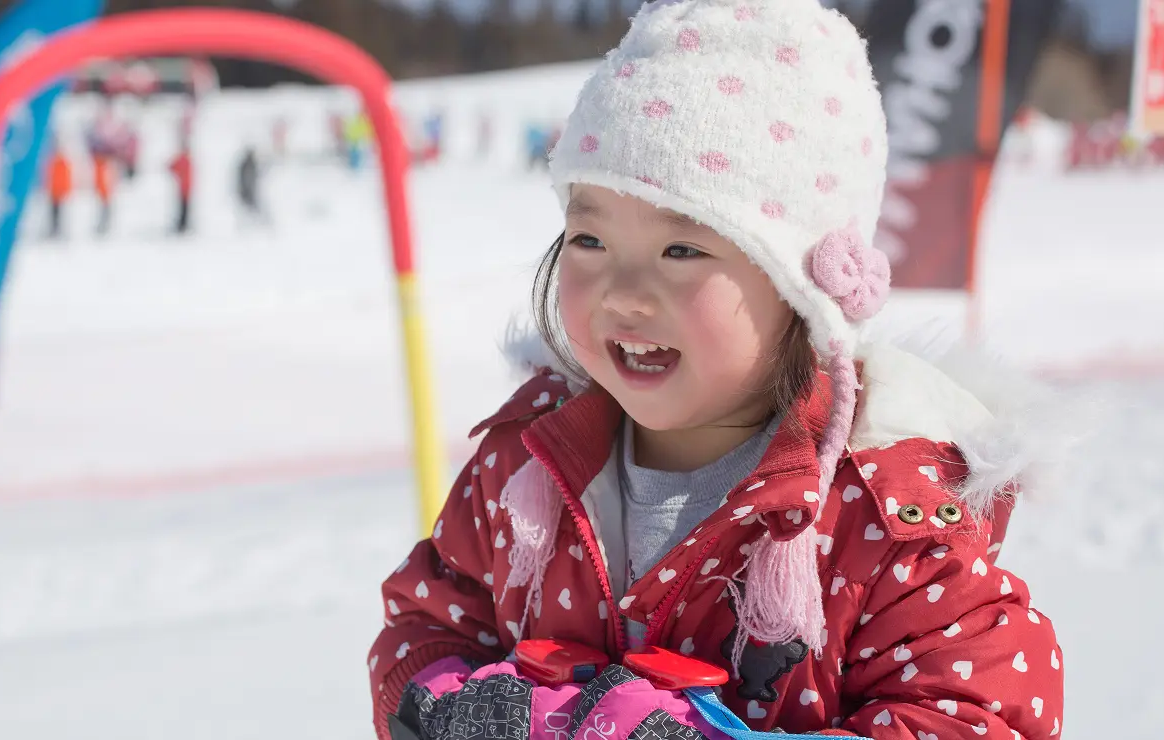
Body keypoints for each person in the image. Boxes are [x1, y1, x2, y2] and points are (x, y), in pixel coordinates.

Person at [367, 2, 1065, 739]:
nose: (623, 293)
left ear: (801, 288)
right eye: (590, 237)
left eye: (683, 250)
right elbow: (428, 620)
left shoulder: (882, 520)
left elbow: (978, 717)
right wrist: (442, 704)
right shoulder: (524, 464)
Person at [46, 146, 73, 239]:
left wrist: (65, 190)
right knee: (53, 213)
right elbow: (49, 177)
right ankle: (53, 229)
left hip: (59, 193)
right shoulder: (53, 163)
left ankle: (58, 229)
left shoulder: (63, 163)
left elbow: (66, 178)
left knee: (60, 213)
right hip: (53, 193)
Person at [168, 140, 193, 234]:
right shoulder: (184, 160)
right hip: (184, 188)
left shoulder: (186, 160)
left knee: (185, 208)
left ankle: (183, 224)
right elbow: (172, 166)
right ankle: (182, 225)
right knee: (183, 208)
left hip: (186, 188)